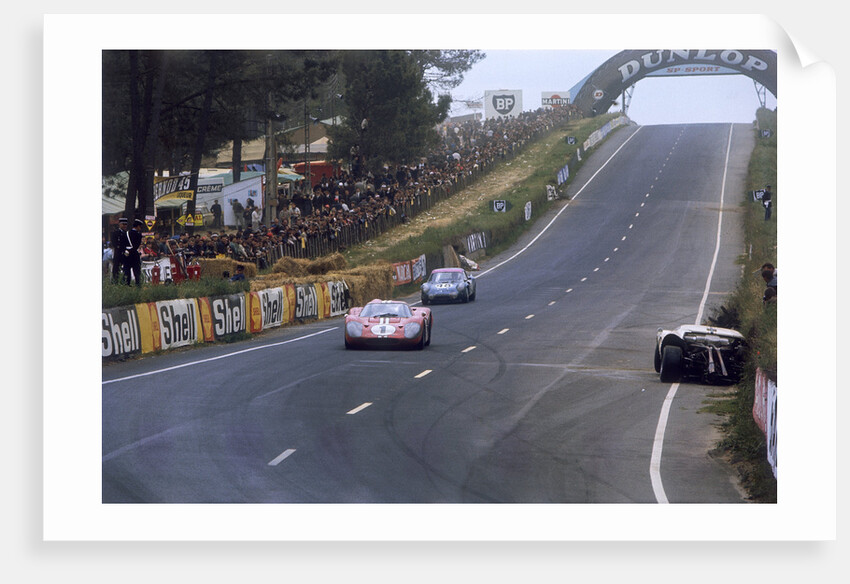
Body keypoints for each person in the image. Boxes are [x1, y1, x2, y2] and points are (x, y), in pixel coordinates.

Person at [123, 218, 144, 286]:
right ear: (137, 226)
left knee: (127, 270)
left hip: (127, 254)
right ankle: (137, 284)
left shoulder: (127, 233)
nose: (140, 228)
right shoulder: (138, 235)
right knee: (136, 271)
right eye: (140, 227)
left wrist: (127, 251)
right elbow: (136, 245)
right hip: (134, 254)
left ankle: (127, 284)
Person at [109, 217, 129, 283]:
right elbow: (114, 243)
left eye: (125, 224)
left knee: (125, 268)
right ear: (119, 224)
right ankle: (115, 281)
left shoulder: (127, 233)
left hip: (125, 253)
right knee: (116, 267)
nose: (124, 226)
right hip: (118, 253)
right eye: (123, 224)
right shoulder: (115, 233)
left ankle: (124, 281)